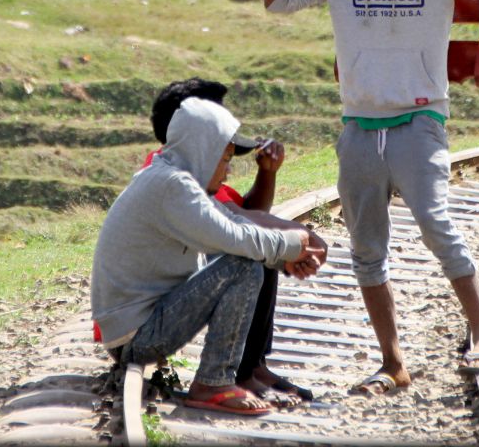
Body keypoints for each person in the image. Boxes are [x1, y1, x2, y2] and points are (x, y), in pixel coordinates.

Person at [264, 0, 479, 394]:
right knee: (366, 249)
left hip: (419, 121)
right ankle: (392, 364)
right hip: (358, 125)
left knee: (436, 225)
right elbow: (278, 0)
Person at [90, 97, 328, 416]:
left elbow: (234, 224)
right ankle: (213, 382)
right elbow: (233, 237)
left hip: (140, 327)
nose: (228, 170)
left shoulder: (176, 179)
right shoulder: (173, 186)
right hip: (135, 337)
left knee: (251, 256)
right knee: (243, 265)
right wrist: (292, 245)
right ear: (203, 151)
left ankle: (240, 373)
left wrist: (285, 255)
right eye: (225, 158)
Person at [144, 78, 314, 406]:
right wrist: (297, 243)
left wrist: (267, 173)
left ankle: (255, 366)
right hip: (156, 311)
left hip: (165, 299)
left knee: (261, 248)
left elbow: (243, 214)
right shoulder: (180, 177)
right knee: (253, 255)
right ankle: (244, 372)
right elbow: (243, 224)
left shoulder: (179, 166)